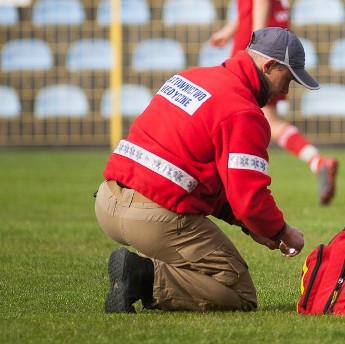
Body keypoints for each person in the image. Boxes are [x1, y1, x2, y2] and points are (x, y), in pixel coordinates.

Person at [95, 26, 313, 313]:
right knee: (239, 291)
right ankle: (143, 276)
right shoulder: (244, 112)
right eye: (286, 79)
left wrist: (248, 227)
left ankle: (140, 267)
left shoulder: (189, 77)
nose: (284, 91)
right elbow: (249, 199)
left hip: (108, 200)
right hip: (154, 218)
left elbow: (197, 178)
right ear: (269, 65)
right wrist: (282, 231)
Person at [210, 0, 340, 205]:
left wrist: (252, 45)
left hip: (259, 49)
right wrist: (230, 29)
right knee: (264, 118)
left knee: (235, 113)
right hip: (272, 43)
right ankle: (315, 162)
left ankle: (232, 184)